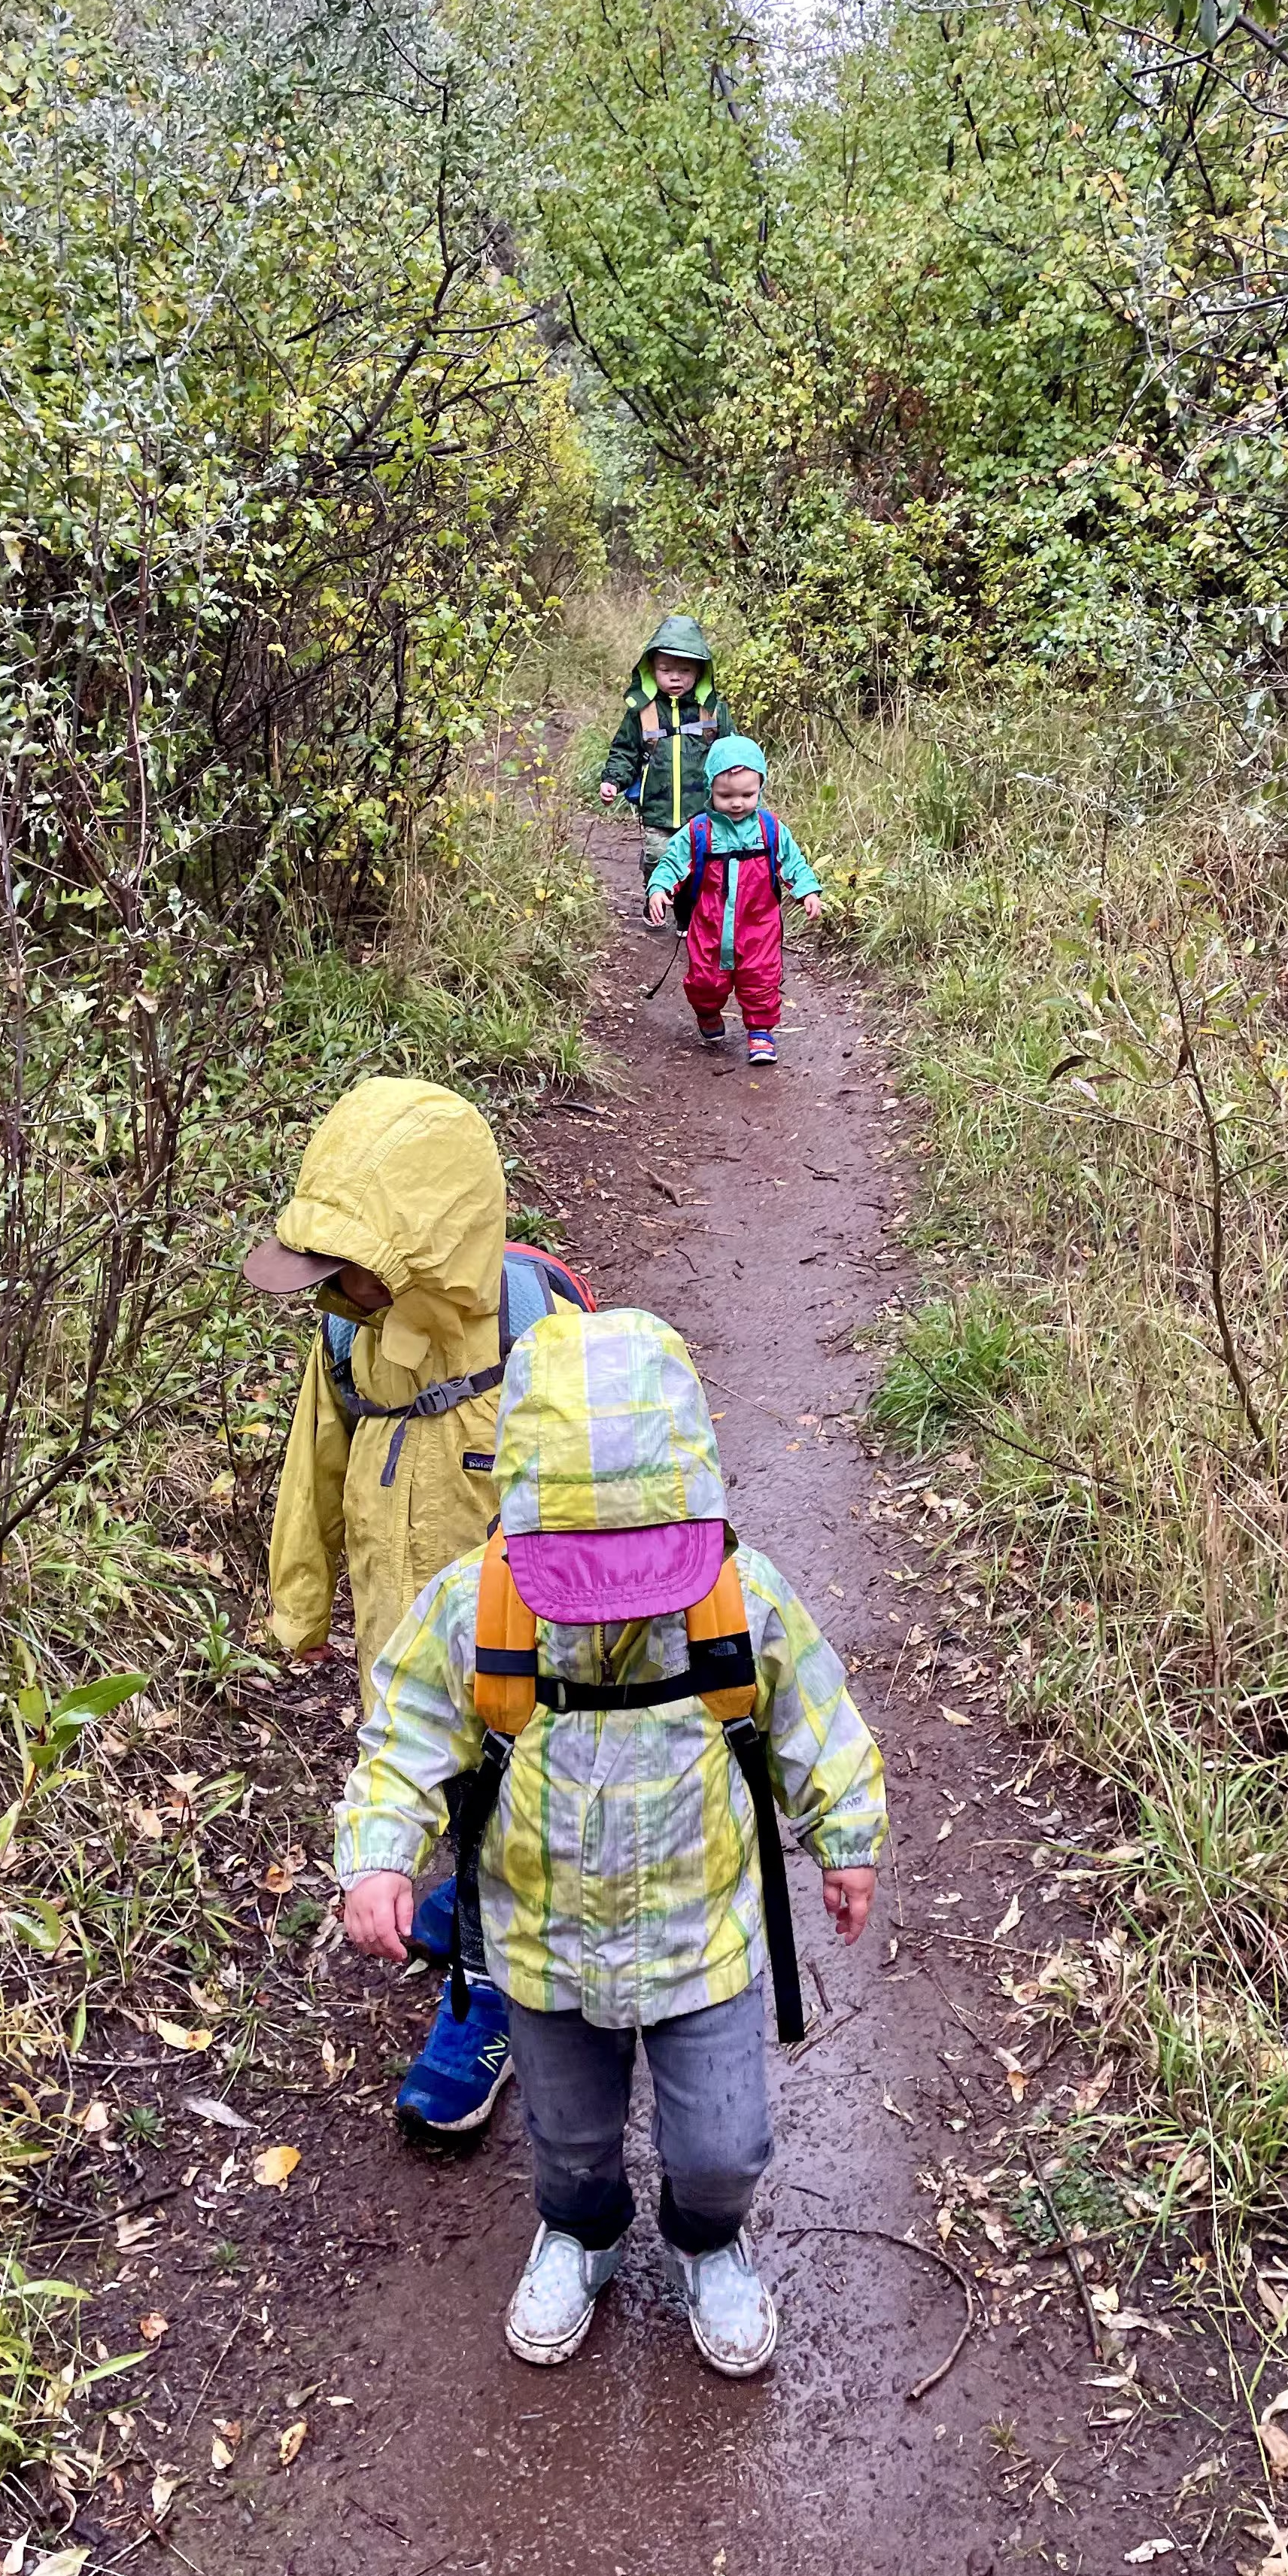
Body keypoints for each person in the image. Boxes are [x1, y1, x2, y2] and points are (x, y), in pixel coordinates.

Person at [335, 1304, 886, 2379]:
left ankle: (706, 2238)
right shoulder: (479, 1608)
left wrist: (846, 1835)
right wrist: (381, 1854)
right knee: (571, 2142)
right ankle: (582, 2233)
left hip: (704, 1939)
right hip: (541, 1943)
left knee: (724, 2148)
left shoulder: (736, 1600)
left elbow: (815, 1721)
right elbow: (405, 1736)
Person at [246, 1075, 588, 2142]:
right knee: (429, 1789)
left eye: (343, 1265)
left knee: (513, 1818)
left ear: (422, 1239)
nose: (328, 1289)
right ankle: (467, 1904)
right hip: (404, 1640)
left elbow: (595, 1504)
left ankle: (490, 1996)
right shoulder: (347, 1337)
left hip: (525, 1661)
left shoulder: (537, 1333)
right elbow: (315, 1468)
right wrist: (302, 1609)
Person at [645, 737, 823, 1065]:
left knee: (761, 979)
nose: (738, 803)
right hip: (710, 924)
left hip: (760, 926)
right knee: (705, 981)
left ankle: (761, 1034)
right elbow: (673, 862)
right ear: (710, 789)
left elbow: (793, 863)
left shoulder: (770, 829)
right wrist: (659, 888)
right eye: (726, 795)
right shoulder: (699, 831)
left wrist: (807, 890)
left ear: (761, 788)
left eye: (747, 795)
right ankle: (708, 1011)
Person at [597, 612, 735, 902]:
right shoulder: (643, 711)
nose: (675, 677)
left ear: (699, 671)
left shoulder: (712, 710)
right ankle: (655, 896)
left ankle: (689, 915)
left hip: (702, 809)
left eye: (684, 670)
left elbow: (730, 752)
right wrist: (613, 780)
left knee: (700, 865)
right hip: (657, 808)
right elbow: (626, 750)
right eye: (665, 669)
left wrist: (738, 785)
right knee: (658, 858)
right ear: (651, 670)